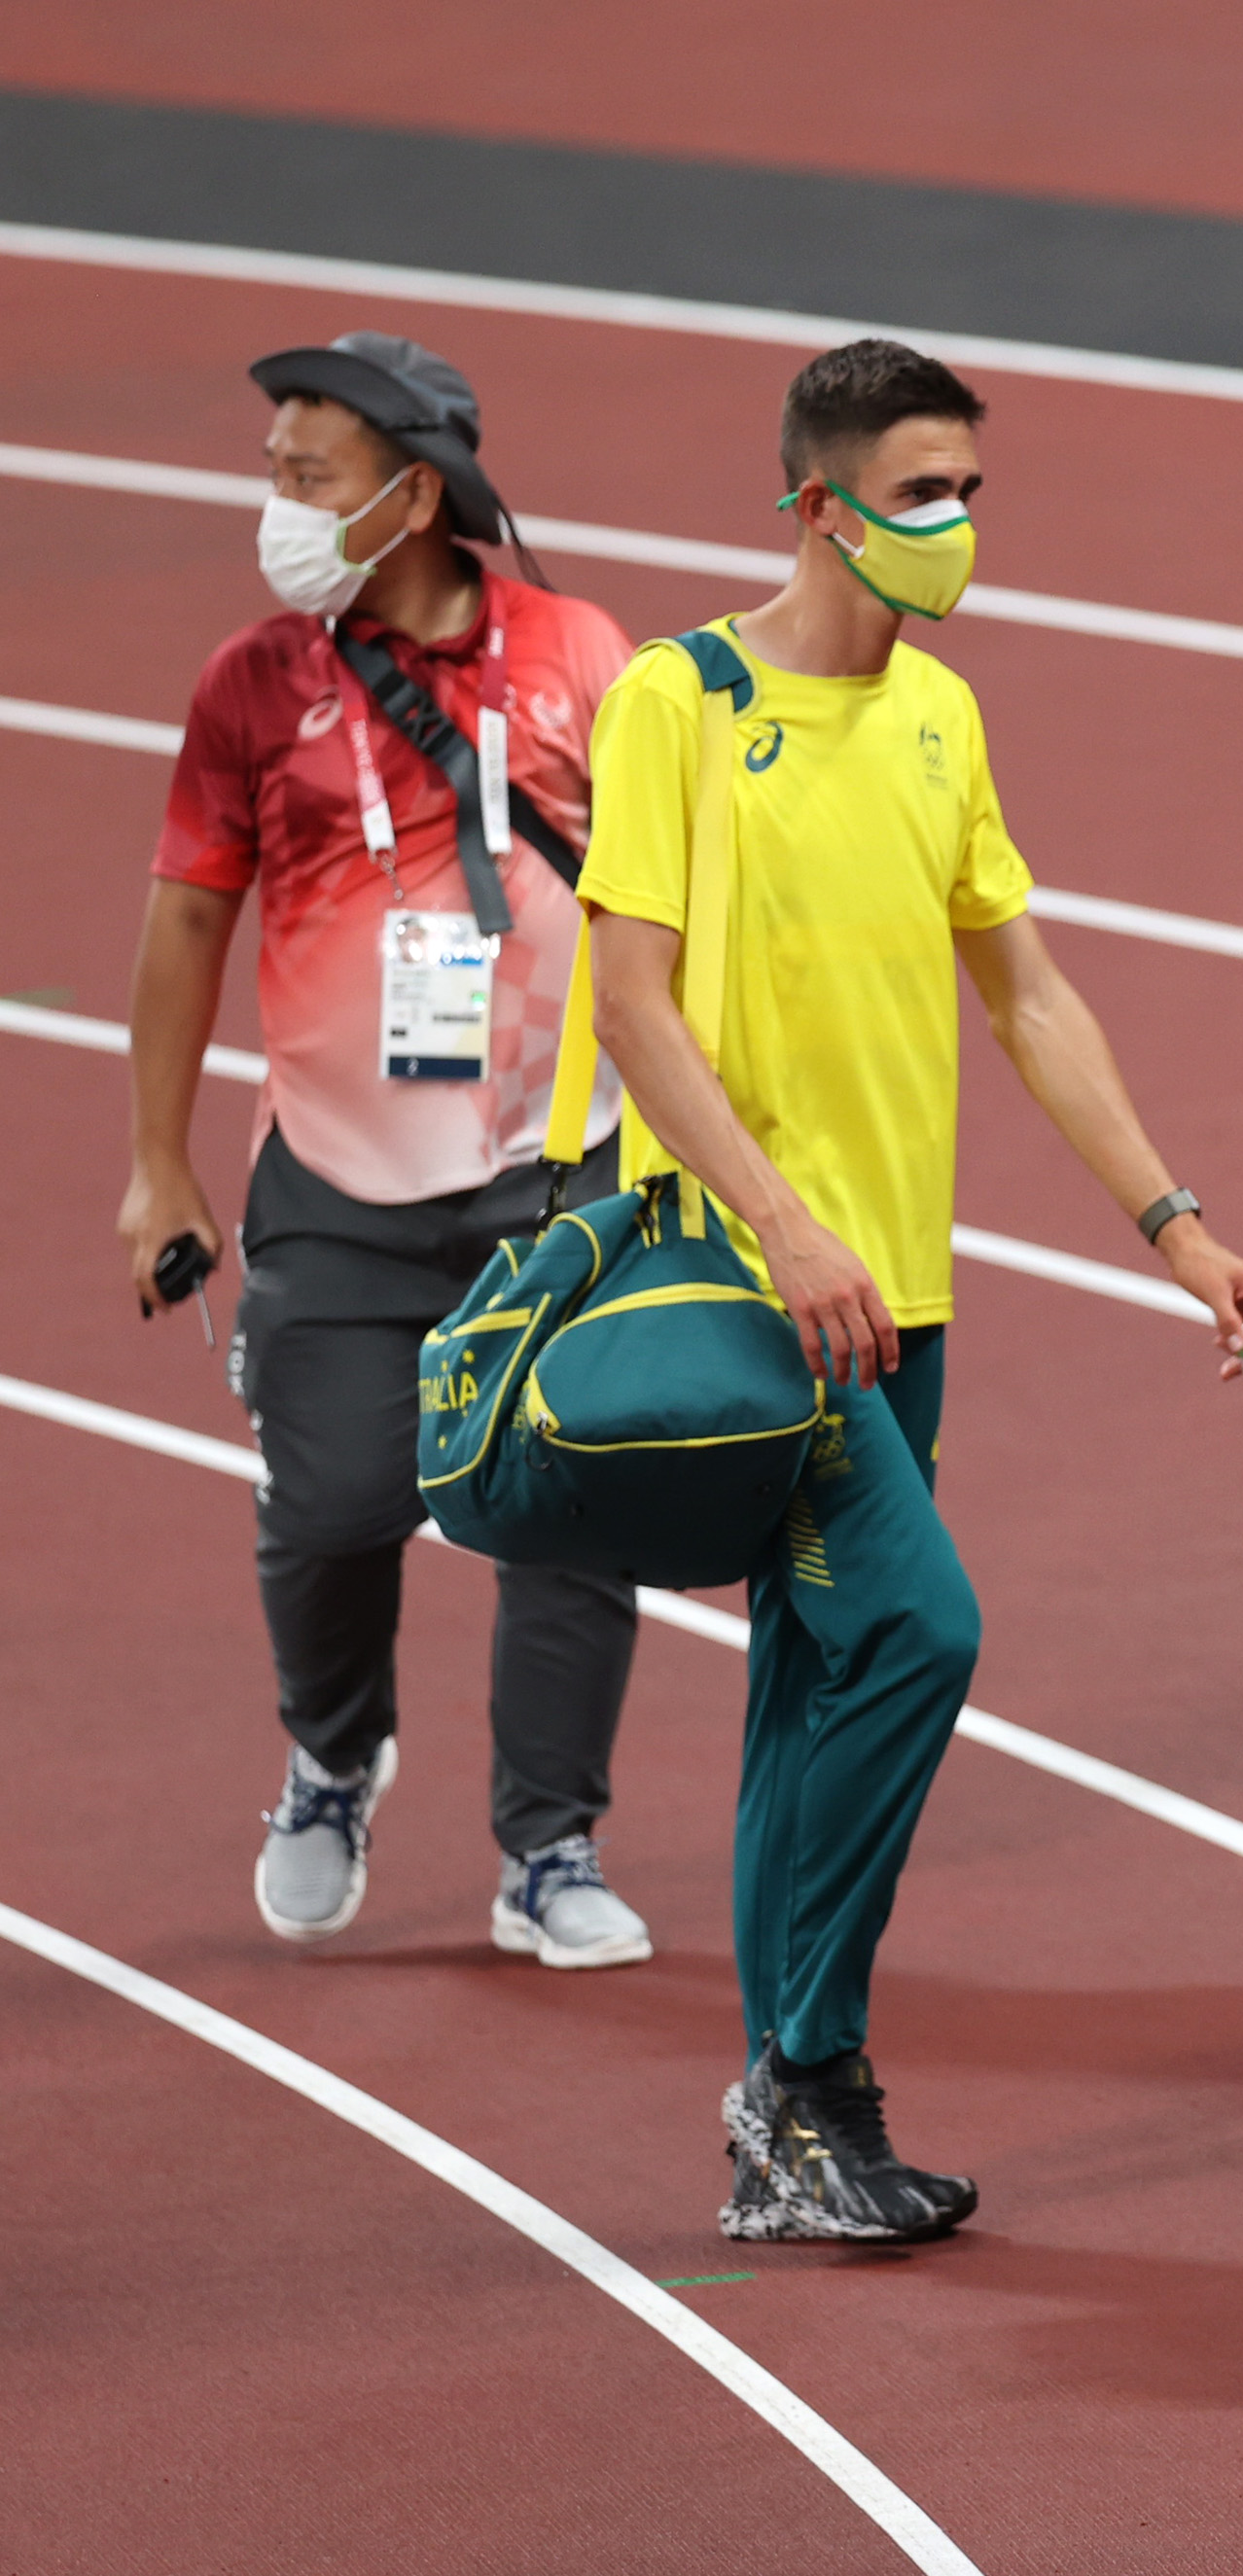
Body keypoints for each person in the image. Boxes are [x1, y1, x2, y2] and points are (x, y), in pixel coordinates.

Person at [579, 338, 1243, 2244]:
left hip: (901, 1298)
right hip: (759, 1292)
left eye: (970, 489)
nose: (957, 523)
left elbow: (1028, 993)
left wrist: (1178, 1228)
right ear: (816, 505)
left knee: (811, 1680)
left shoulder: (937, 717)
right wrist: (784, 1227)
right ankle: (810, 2084)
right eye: (920, 492)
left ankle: (784, 2135)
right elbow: (632, 1005)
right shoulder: (677, 700)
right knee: (916, 1634)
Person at [125, 331, 655, 1970]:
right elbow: (186, 922)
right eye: (274, 472)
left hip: (558, 1177)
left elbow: (664, 902)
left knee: (571, 1514)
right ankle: (333, 1756)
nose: (277, 506)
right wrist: (157, 1161)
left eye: (309, 476)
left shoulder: (580, 653)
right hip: (337, 1185)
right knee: (335, 1507)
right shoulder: (250, 683)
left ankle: (548, 1847)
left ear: (414, 497)